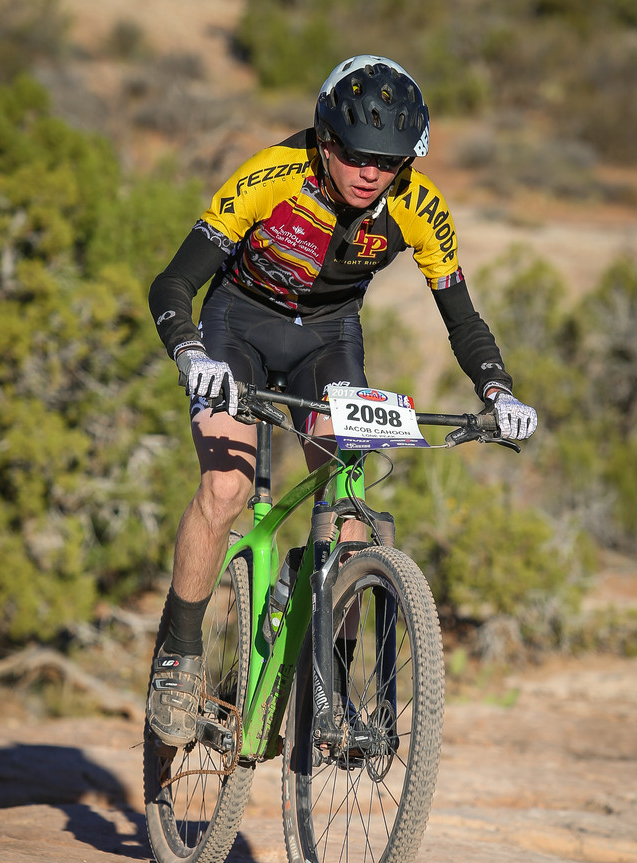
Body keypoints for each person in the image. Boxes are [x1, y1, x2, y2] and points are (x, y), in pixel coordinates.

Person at [145, 54, 537, 748]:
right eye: (355, 155)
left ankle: (328, 687)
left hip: (327, 339)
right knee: (226, 486)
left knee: (349, 509)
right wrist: (191, 354)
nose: (369, 173)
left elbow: (462, 318)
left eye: (387, 162)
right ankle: (179, 654)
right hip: (238, 324)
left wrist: (497, 389)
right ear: (325, 141)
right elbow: (173, 282)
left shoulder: (419, 207)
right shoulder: (270, 175)